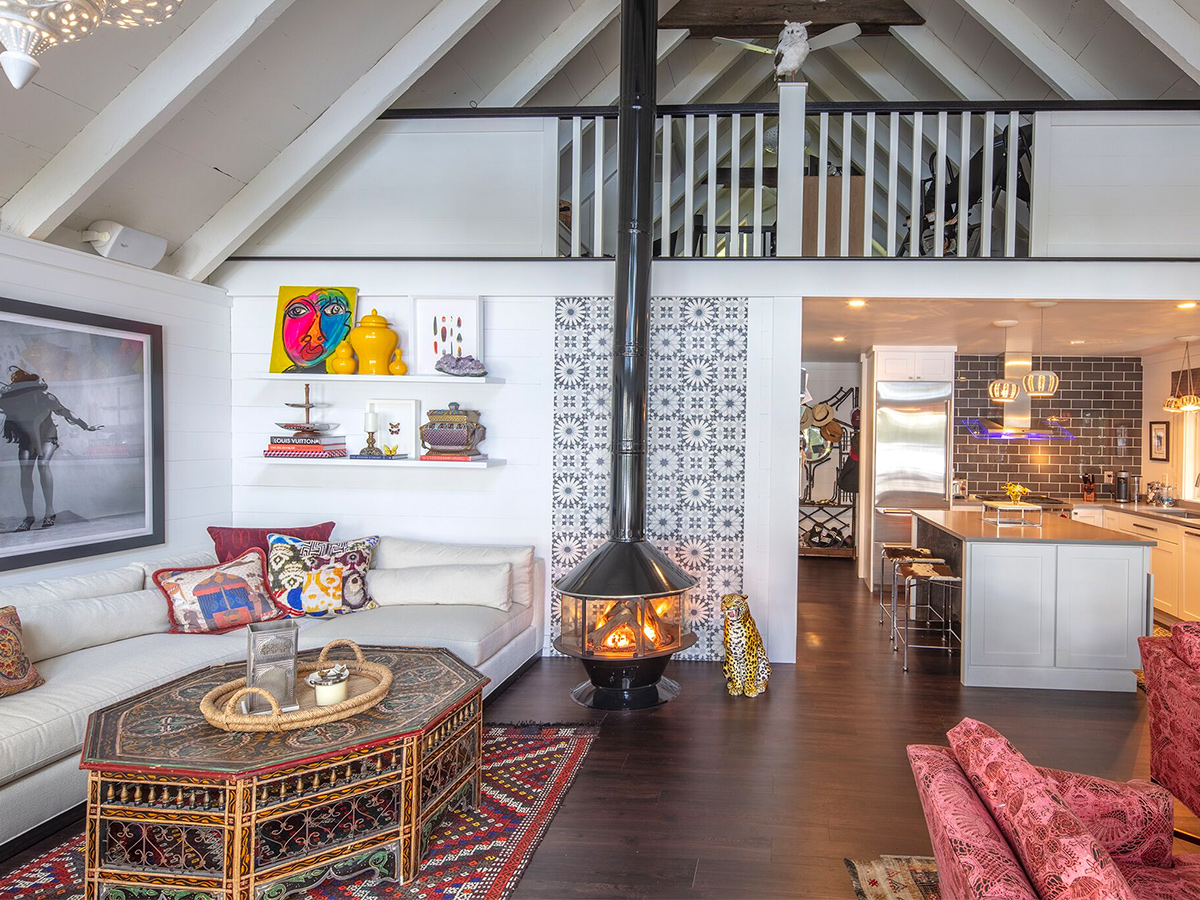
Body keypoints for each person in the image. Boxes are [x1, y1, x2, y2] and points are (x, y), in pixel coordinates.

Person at [0, 367, 102, 532]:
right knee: (25, 473)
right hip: (27, 441)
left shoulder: (47, 399)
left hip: (48, 438)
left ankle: (49, 511)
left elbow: (67, 413)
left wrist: (86, 426)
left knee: (43, 464)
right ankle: (29, 516)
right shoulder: (13, 402)